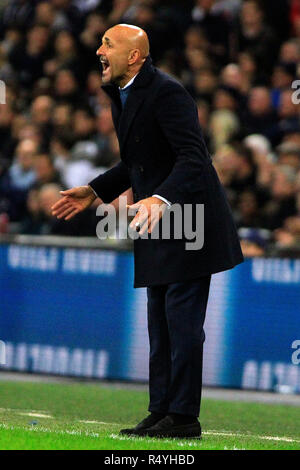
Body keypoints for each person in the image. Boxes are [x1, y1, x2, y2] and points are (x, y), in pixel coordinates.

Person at [51, 24, 243, 439]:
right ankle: (161, 411)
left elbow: (194, 157)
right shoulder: (124, 93)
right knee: (160, 323)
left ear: (133, 56)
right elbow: (138, 160)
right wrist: (96, 190)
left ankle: (184, 416)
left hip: (190, 220)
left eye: (108, 44)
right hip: (159, 220)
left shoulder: (167, 92)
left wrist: (161, 198)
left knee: (183, 323)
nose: (99, 50)